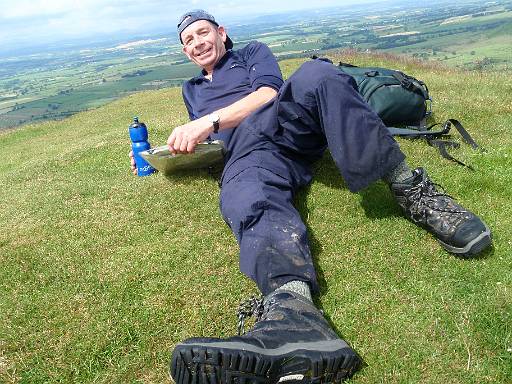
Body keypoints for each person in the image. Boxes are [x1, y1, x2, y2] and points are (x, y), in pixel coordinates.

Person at [130, 9, 492, 383]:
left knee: (318, 72)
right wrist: (162, 155)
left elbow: (268, 94)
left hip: (285, 124)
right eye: (188, 41)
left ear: (221, 33)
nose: (197, 43)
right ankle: (293, 315)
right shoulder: (191, 90)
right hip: (246, 157)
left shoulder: (251, 53)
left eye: (202, 33)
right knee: (247, 197)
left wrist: (208, 121)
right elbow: (212, 143)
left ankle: (413, 191)